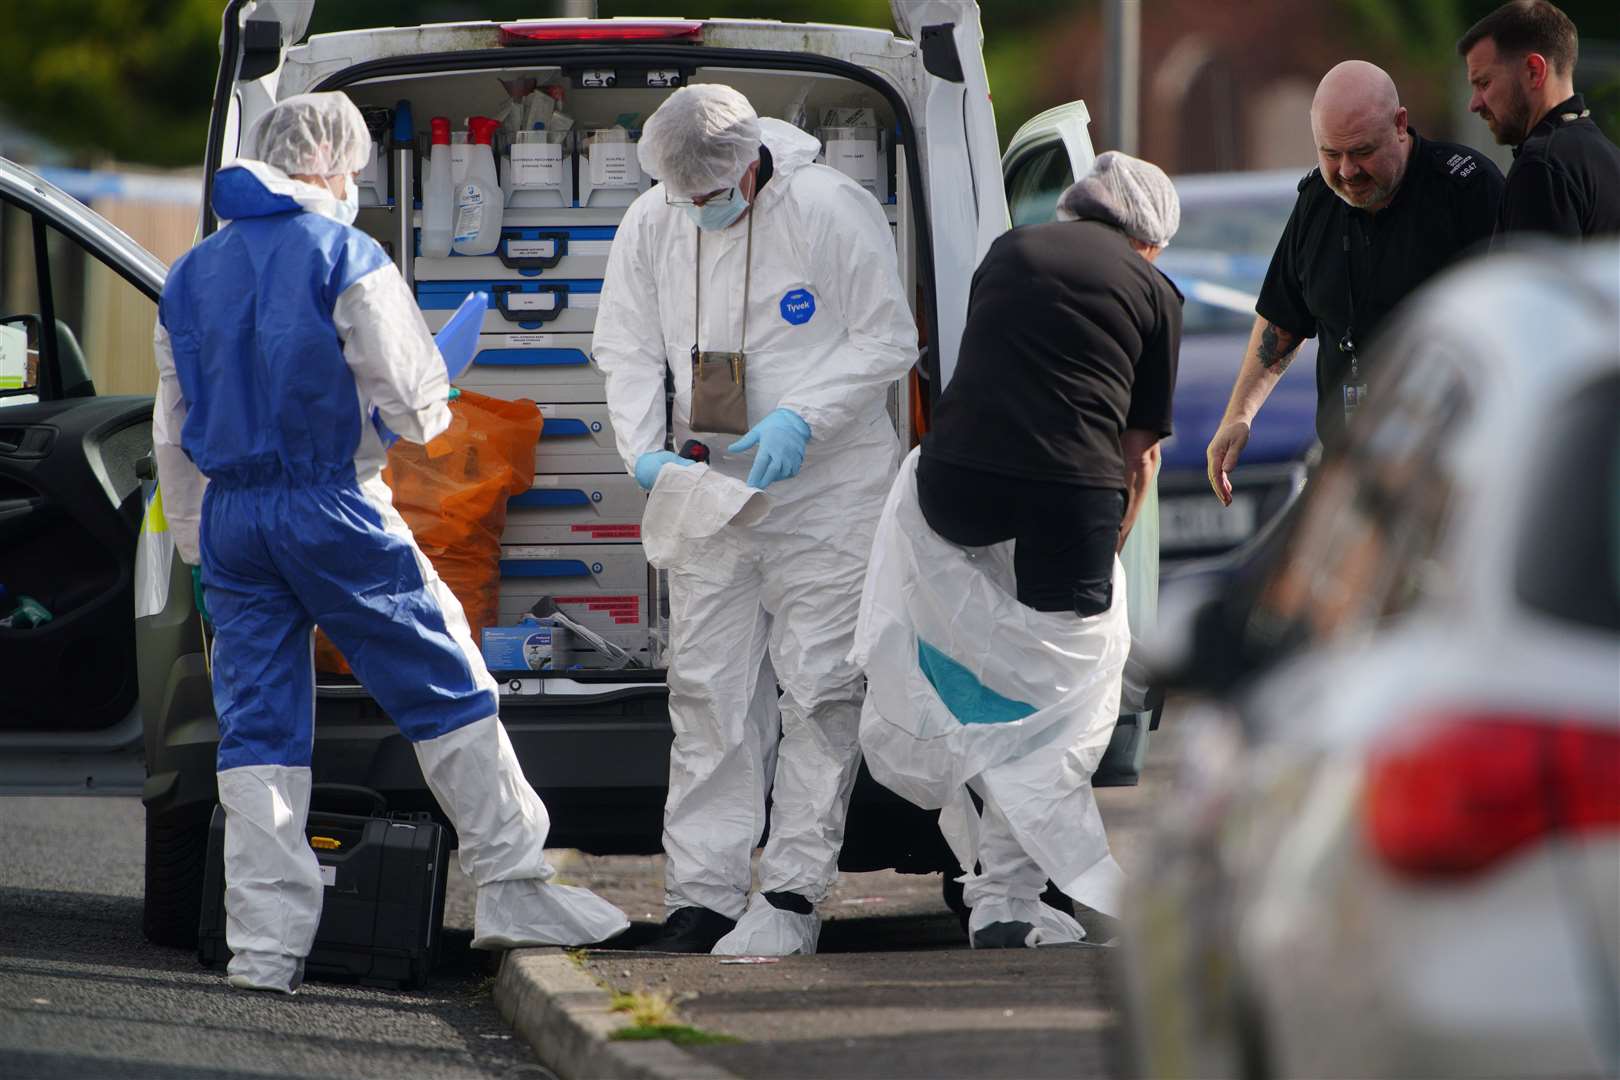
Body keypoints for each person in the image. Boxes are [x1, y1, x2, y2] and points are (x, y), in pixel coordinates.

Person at [152, 93, 628, 994]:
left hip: (231, 520)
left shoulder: (190, 273)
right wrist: (436, 371)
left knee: (257, 732)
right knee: (448, 681)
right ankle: (515, 884)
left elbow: (172, 431)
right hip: (332, 507)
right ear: (332, 164)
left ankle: (264, 951)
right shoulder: (345, 254)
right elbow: (416, 414)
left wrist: (195, 547)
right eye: (355, 166)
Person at [592, 84, 917, 955]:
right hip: (708, 490)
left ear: (750, 165)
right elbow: (621, 344)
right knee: (708, 694)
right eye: (681, 197)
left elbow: (889, 338)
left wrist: (805, 414)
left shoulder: (827, 208)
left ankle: (792, 895)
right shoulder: (653, 220)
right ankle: (701, 896)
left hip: (826, 491)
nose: (696, 211)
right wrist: (642, 451)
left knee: (819, 691)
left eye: (709, 196)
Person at [859, 153, 1178, 949]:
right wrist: (1112, 544)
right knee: (1060, 695)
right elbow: (1138, 454)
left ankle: (991, 870)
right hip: (1069, 490)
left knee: (984, 667)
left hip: (954, 486)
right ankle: (1006, 895)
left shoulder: (1008, 250)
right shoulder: (1152, 289)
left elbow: (987, 372)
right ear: (1150, 236)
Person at [1205, 61, 1504, 505]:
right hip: (1351, 470)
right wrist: (1239, 415)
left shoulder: (1467, 190)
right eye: (1330, 153)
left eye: (1362, 151)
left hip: (1452, 470)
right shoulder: (1316, 203)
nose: (1346, 172)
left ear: (1400, 125)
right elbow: (1282, 318)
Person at [1458, 0, 1620, 242]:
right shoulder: (1608, 156)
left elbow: (1534, 280)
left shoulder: (1541, 167)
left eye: (1484, 83)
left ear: (1534, 71)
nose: (1474, 104)